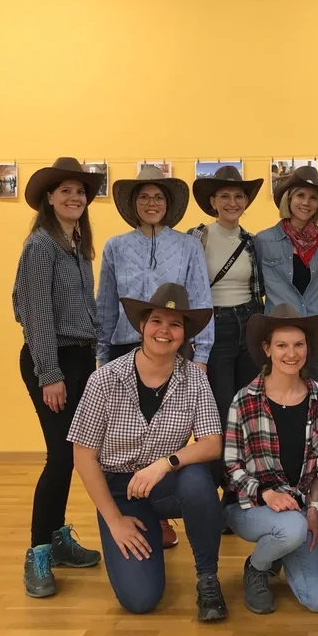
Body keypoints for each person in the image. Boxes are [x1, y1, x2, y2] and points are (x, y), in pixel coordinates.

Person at [67, 283, 228, 620]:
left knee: (198, 482)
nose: (164, 331)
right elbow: (83, 457)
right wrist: (115, 521)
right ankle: (144, 528)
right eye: (157, 321)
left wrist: (165, 465)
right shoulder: (105, 379)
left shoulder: (195, 380)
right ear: (142, 326)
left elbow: (212, 443)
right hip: (120, 490)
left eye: (175, 324)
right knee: (140, 601)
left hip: (163, 484)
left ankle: (208, 580)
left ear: (184, 335)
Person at [97, 167, 214, 548]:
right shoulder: (115, 246)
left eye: (158, 197)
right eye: (144, 197)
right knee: (126, 437)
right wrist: (102, 354)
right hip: (124, 346)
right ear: (133, 204)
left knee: (168, 430)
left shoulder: (187, 246)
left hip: (173, 345)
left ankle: (163, 513)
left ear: (169, 205)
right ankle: (131, 505)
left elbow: (199, 299)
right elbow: (106, 303)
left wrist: (202, 354)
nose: (152, 203)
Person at [13, 157, 105, 598]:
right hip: (52, 363)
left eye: (80, 192)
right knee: (60, 457)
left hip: (79, 359)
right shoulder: (41, 245)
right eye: (65, 190)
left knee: (73, 455)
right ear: (49, 198)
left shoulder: (76, 246)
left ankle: (57, 539)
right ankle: (37, 553)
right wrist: (49, 372)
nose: (74, 197)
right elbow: (32, 311)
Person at [223, 304, 318, 615]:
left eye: (299, 344)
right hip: (250, 505)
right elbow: (230, 465)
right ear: (267, 349)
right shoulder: (244, 399)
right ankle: (257, 567)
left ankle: (280, 552)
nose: (291, 353)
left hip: (300, 510)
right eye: (282, 345)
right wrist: (265, 493)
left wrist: (313, 510)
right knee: (291, 530)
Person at [187, 165, 266, 489]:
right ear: (213, 201)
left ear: (245, 201)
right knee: (217, 414)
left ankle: (236, 494)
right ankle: (214, 488)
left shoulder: (251, 241)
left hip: (248, 325)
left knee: (245, 411)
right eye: (225, 196)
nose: (232, 202)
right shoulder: (197, 237)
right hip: (213, 328)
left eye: (238, 196)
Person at [254, 166, 318, 383]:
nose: (306, 203)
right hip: (279, 338)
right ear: (288, 200)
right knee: (279, 398)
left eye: (314, 198)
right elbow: (258, 287)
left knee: (317, 401)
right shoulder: (264, 240)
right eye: (300, 195)